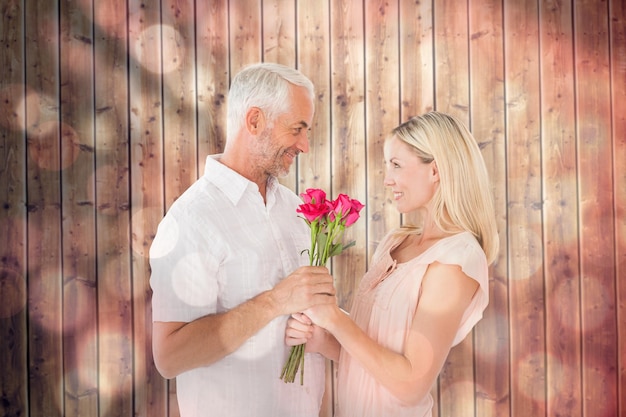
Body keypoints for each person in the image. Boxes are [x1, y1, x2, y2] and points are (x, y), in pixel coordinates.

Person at [149, 62, 336, 417]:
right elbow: (169, 357)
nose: (305, 145)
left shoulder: (297, 212)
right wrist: (274, 302)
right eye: (297, 129)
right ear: (254, 121)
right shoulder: (191, 219)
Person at [285, 111, 499, 417]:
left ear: (435, 170)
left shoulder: (456, 260)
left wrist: (335, 319)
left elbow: (410, 384)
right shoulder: (395, 242)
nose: (388, 180)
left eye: (396, 165)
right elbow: (374, 358)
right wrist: (323, 339)